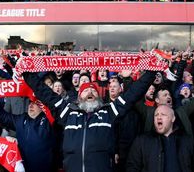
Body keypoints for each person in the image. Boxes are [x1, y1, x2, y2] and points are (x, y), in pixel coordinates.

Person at [23, 70, 156, 172]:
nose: (90, 92)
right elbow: (45, 93)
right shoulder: (68, 113)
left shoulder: (108, 112)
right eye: (86, 90)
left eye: (94, 90)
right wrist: (26, 73)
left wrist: (152, 72)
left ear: (99, 96)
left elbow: (133, 94)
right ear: (79, 96)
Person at [126, 105, 194, 172]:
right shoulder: (142, 141)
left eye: (163, 114)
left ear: (173, 118)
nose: (159, 117)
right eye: (156, 115)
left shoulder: (187, 141)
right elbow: (132, 167)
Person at [0, 96, 56, 172]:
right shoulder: (21, 119)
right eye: (30, 103)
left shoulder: (50, 120)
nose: (31, 105)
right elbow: (0, 115)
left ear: (42, 106)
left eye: (35, 103)